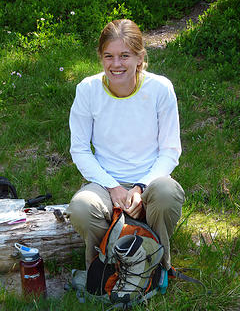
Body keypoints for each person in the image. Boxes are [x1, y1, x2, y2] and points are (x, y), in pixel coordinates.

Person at [66, 19, 185, 273]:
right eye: (108, 56)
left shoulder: (160, 89)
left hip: (151, 180)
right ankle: (104, 267)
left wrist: (141, 187)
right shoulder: (87, 90)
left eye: (125, 55)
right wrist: (112, 186)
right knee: (81, 207)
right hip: (105, 182)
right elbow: (79, 149)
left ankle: (156, 265)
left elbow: (170, 150)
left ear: (140, 57)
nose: (116, 64)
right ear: (100, 57)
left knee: (167, 194)